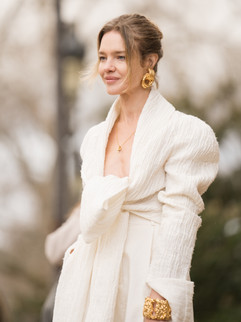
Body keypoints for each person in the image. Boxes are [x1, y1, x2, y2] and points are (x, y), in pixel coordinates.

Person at [53, 13, 219, 322]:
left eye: (120, 56)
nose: (107, 67)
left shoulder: (185, 133)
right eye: (103, 57)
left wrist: (161, 297)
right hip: (89, 280)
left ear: (149, 61)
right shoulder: (92, 139)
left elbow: (180, 218)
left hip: (144, 275)